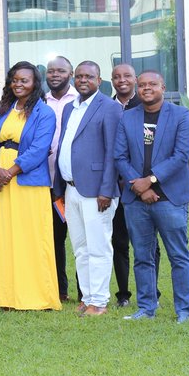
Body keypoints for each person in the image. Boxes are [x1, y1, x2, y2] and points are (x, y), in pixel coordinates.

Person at [113, 70, 189, 323]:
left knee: (178, 256)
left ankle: (183, 310)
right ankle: (147, 308)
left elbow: (182, 155)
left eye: (152, 84)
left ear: (163, 86)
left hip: (169, 198)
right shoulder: (128, 118)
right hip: (137, 200)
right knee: (142, 256)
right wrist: (140, 187)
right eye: (142, 85)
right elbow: (119, 156)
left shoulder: (180, 115)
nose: (146, 88)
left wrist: (150, 181)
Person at [0, 61, 61, 311]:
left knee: (31, 238)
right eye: (15, 80)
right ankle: (7, 297)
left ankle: (36, 296)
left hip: (27, 180)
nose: (19, 84)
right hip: (2, 179)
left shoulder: (44, 112)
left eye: (24, 80)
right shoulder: (4, 110)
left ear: (35, 84)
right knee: (7, 237)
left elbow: (39, 150)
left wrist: (10, 172)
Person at [53, 62, 122, 317]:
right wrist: (59, 187)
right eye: (79, 76)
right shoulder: (71, 108)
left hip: (96, 192)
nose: (83, 80)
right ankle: (87, 296)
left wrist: (106, 190)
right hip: (71, 189)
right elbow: (64, 145)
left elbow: (114, 152)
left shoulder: (110, 108)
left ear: (99, 79)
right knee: (80, 248)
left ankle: (100, 302)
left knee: (98, 247)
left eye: (89, 76)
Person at [44, 56, 78, 301]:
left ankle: (86, 291)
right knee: (53, 239)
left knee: (80, 238)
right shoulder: (38, 102)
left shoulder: (80, 100)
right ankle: (59, 289)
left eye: (60, 70)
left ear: (71, 73)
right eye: (50, 71)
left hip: (74, 182)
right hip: (45, 182)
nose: (54, 74)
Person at [110, 62, 143, 307]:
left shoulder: (146, 104)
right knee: (119, 242)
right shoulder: (106, 106)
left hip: (142, 185)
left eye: (127, 76)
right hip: (114, 186)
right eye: (116, 77)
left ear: (135, 79)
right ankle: (123, 294)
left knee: (146, 244)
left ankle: (150, 292)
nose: (122, 80)